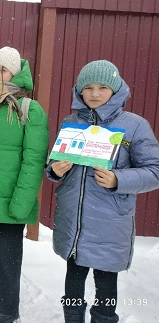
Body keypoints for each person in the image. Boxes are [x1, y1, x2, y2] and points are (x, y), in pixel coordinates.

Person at [46, 60, 159, 323]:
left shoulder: (134, 125)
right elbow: (53, 165)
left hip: (109, 222)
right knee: (73, 281)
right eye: (88, 87)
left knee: (106, 284)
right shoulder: (71, 122)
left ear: (116, 89)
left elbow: (155, 171)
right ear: (79, 91)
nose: (95, 93)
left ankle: (104, 318)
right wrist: (55, 170)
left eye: (103, 87)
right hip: (73, 222)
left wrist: (118, 179)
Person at [0, 47, 49, 323]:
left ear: (16, 74)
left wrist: (21, 203)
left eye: (3, 70)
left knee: (6, 259)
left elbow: (33, 160)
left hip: (12, 200)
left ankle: (5, 309)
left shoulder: (29, 110)